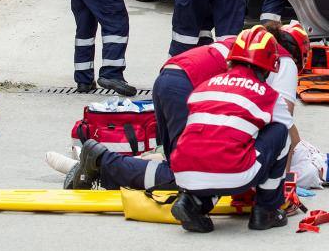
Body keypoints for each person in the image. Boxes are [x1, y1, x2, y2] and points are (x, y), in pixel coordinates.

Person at [62, 22, 309, 192]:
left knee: (179, 165)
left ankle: (103, 164)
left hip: (169, 78)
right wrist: (283, 183)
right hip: (184, 88)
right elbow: (282, 124)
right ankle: (103, 162)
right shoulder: (284, 60)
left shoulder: (245, 43)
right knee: (188, 176)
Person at [169, 26, 294, 233]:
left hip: (183, 172)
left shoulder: (205, 85)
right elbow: (288, 132)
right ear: (268, 67)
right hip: (234, 173)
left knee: (217, 143)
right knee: (280, 132)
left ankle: (193, 202)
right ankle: (267, 210)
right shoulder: (269, 95)